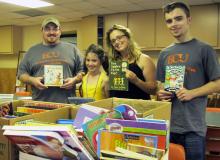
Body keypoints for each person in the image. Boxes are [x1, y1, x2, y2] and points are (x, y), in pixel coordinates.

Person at [156, 2, 220, 160]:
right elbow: (160, 86)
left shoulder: (204, 49)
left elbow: (218, 83)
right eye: (169, 21)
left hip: (193, 130)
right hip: (169, 127)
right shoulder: (164, 54)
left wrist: (192, 93)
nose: (173, 24)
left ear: (189, 20)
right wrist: (161, 93)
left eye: (178, 19)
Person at [17, 17, 83, 103]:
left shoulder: (73, 49)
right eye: (47, 29)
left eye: (55, 29)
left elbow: (83, 71)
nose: (51, 32)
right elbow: (21, 74)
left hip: (67, 105)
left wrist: (74, 80)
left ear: (60, 31)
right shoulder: (31, 51)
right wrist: (32, 80)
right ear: (42, 31)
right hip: (39, 104)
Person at [106, 24, 157, 100]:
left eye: (119, 38)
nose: (116, 42)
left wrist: (136, 80)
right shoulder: (113, 62)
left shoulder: (144, 59)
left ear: (128, 37)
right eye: (113, 41)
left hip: (138, 109)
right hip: (118, 108)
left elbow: (153, 90)